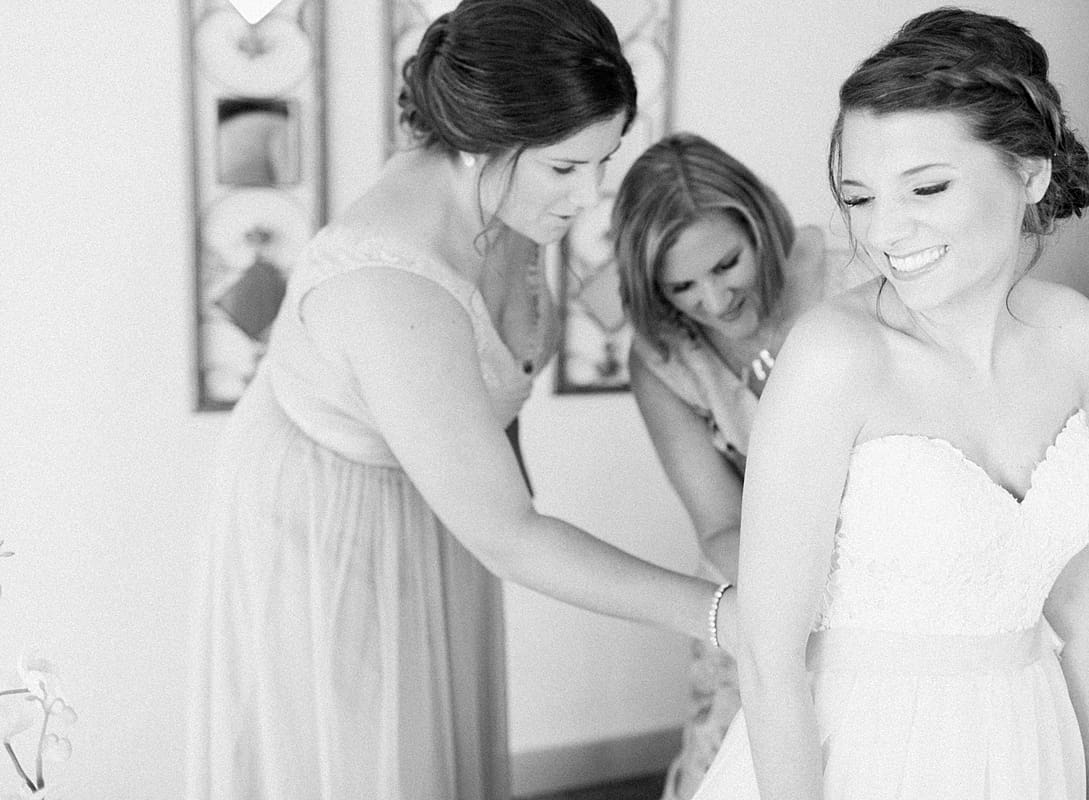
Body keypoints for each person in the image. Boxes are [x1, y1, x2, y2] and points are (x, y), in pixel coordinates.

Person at [184, 2, 738, 798]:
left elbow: (492, 401)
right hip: (323, 520)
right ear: (484, 144)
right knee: (366, 758)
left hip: (438, 503)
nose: (589, 197)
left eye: (603, 160)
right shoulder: (388, 286)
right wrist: (721, 613)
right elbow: (510, 536)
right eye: (566, 168)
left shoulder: (505, 196)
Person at [693, 8, 1089, 800]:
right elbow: (767, 654)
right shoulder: (832, 358)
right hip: (859, 755)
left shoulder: (1074, 336)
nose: (885, 232)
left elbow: (1074, 586)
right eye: (859, 198)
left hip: (1032, 739)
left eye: (925, 186)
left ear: (1030, 172)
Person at [613, 132, 867, 800]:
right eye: (682, 287)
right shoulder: (665, 357)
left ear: (759, 224)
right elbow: (719, 522)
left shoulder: (850, 282)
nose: (715, 300)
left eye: (728, 264)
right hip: (757, 568)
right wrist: (794, 601)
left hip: (885, 556)